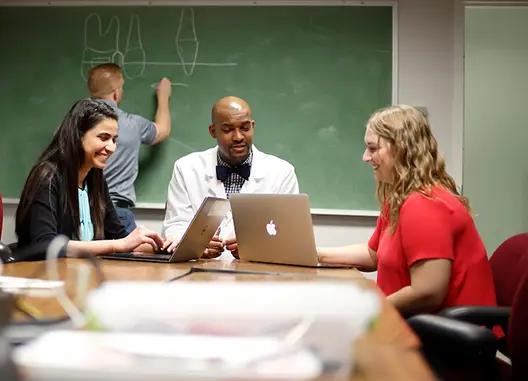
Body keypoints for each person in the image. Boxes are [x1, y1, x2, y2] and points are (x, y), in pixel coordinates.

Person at [317, 105, 497, 317]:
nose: (365, 157)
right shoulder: (400, 197)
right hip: (418, 325)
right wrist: (315, 254)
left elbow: (427, 292)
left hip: (449, 337)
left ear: (401, 149)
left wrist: (367, 310)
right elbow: (373, 254)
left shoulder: (425, 204)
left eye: (373, 149)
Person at [14, 99, 166, 261]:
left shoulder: (96, 180)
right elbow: (45, 245)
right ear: (78, 135)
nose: (112, 148)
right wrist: (116, 245)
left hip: (81, 276)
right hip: (44, 278)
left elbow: (119, 237)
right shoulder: (47, 176)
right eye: (103, 137)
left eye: (114, 139)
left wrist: (161, 246)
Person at [162, 96, 299, 259]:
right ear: (213, 131)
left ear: (253, 127)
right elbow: (174, 227)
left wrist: (257, 248)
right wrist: (195, 244)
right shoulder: (186, 168)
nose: (238, 137)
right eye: (228, 129)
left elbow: (291, 236)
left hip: (257, 276)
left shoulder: (282, 172)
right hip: (198, 274)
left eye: (245, 128)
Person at [87, 62, 172, 233]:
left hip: (79, 209)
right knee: (125, 258)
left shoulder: (75, 122)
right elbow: (163, 130)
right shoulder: (131, 124)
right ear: (117, 92)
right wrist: (163, 97)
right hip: (116, 211)